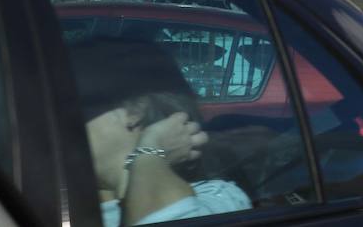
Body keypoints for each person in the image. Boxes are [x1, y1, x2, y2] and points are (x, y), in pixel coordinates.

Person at [67, 37, 251, 226]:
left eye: (71, 106)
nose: (55, 123)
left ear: (134, 110)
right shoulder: (58, 207)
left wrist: (150, 149)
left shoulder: (214, 198)